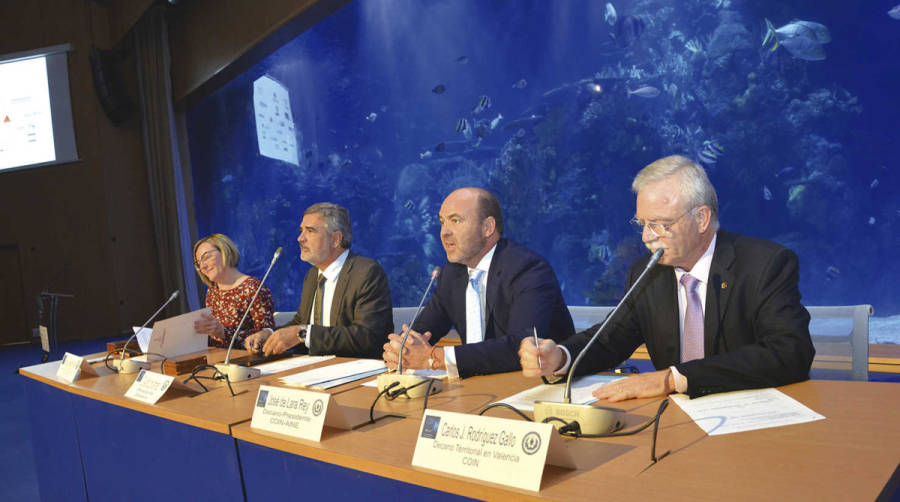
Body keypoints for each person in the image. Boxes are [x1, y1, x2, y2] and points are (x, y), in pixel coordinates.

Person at [520, 155, 815, 401]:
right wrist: (559, 357)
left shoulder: (765, 264)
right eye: (642, 224)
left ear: (701, 218)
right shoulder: (647, 272)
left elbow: (790, 353)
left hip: (752, 418)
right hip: (673, 421)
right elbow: (609, 339)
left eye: (660, 225)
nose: (647, 237)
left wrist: (675, 379)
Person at [382, 187, 575, 379]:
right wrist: (401, 349)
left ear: (488, 228)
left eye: (455, 220)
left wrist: (434, 358)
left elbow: (521, 345)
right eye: (442, 222)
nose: (444, 232)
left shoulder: (528, 269)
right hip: (477, 386)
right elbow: (424, 332)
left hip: (538, 385)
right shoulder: (451, 274)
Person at [244, 202, 392, 358]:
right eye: (301, 231)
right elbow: (301, 321)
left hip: (352, 371)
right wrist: (270, 334)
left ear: (335, 239)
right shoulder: (312, 275)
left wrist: (302, 334)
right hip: (312, 369)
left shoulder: (366, 272)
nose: (300, 238)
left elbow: (368, 336)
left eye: (310, 231)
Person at [193, 233, 275, 348]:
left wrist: (223, 332)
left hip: (244, 361)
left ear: (224, 251)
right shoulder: (212, 292)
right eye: (198, 263)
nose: (202, 267)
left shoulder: (253, 288)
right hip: (215, 358)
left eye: (206, 257)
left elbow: (265, 338)